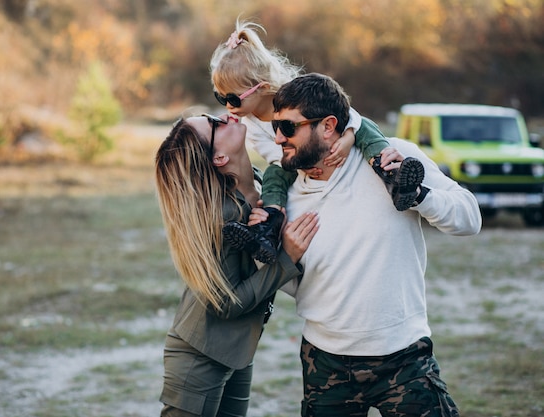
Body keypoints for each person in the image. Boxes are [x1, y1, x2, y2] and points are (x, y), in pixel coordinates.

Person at [259, 72, 482, 417]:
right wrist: (285, 255)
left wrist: (417, 196)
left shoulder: (394, 160)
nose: (277, 138)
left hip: (404, 358)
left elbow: (469, 218)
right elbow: (295, 285)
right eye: (276, 127)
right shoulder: (283, 198)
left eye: (288, 128)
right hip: (325, 363)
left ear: (329, 126)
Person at [209, 20, 425, 264]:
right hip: (293, 160)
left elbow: (349, 114)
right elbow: (276, 157)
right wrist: (301, 165)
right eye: (221, 97)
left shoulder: (295, 94)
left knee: (366, 127)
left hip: (333, 140)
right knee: (273, 177)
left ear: (264, 87)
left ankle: (391, 175)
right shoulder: (251, 125)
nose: (228, 106)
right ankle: (268, 227)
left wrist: (348, 137)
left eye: (234, 99)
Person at [154, 113, 320, 417]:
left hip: (237, 351)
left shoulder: (261, 187)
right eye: (214, 123)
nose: (224, 115)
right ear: (218, 157)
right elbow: (225, 303)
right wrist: (287, 259)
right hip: (199, 358)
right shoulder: (223, 216)